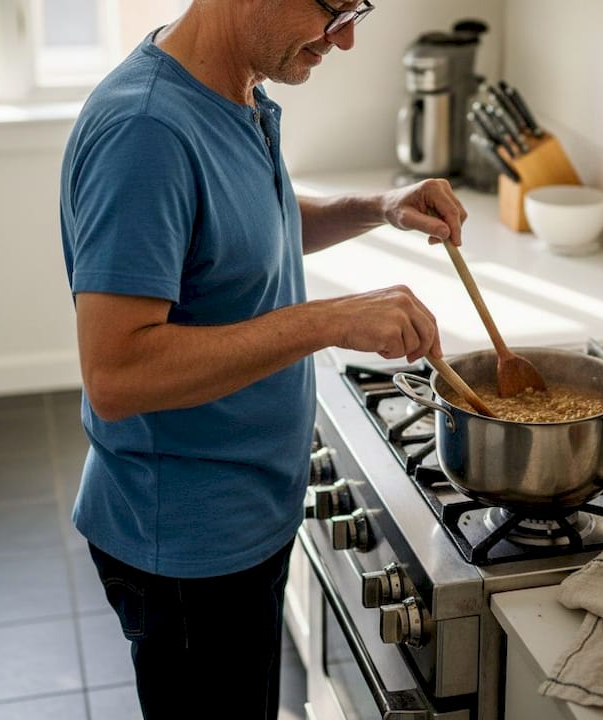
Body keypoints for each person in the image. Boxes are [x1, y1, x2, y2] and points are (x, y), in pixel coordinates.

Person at [58, 1, 468, 717]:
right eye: (332, 8)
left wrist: (380, 205)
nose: (343, 39)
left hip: (243, 518)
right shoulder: (145, 132)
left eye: (357, 11)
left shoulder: (233, 89)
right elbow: (117, 373)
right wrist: (331, 320)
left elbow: (247, 230)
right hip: (187, 548)